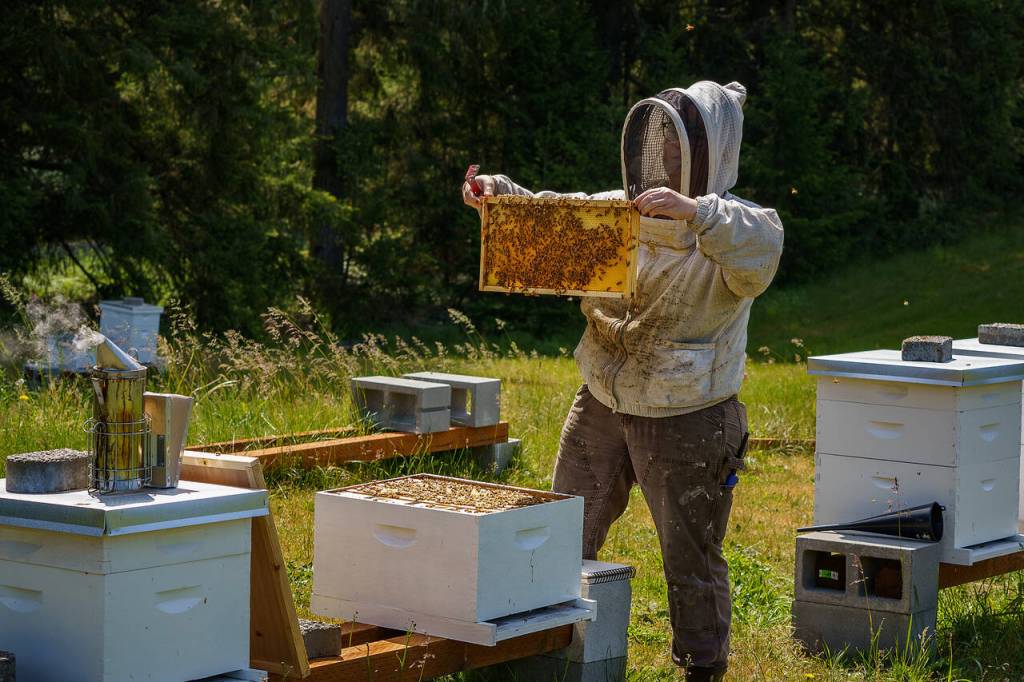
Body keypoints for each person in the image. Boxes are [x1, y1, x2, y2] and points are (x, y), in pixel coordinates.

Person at [462, 81, 783, 681]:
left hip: (688, 412)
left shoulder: (737, 229)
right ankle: (545, 652)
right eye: (657, 144)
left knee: (689, 558)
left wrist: (695, 211)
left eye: (676, 148)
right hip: (604, 398)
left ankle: (701, 669)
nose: (660, 160)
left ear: (709, 154)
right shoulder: (621, 211)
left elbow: (762, 245)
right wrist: (500, 200)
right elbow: (555, 222)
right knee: (558, 531)